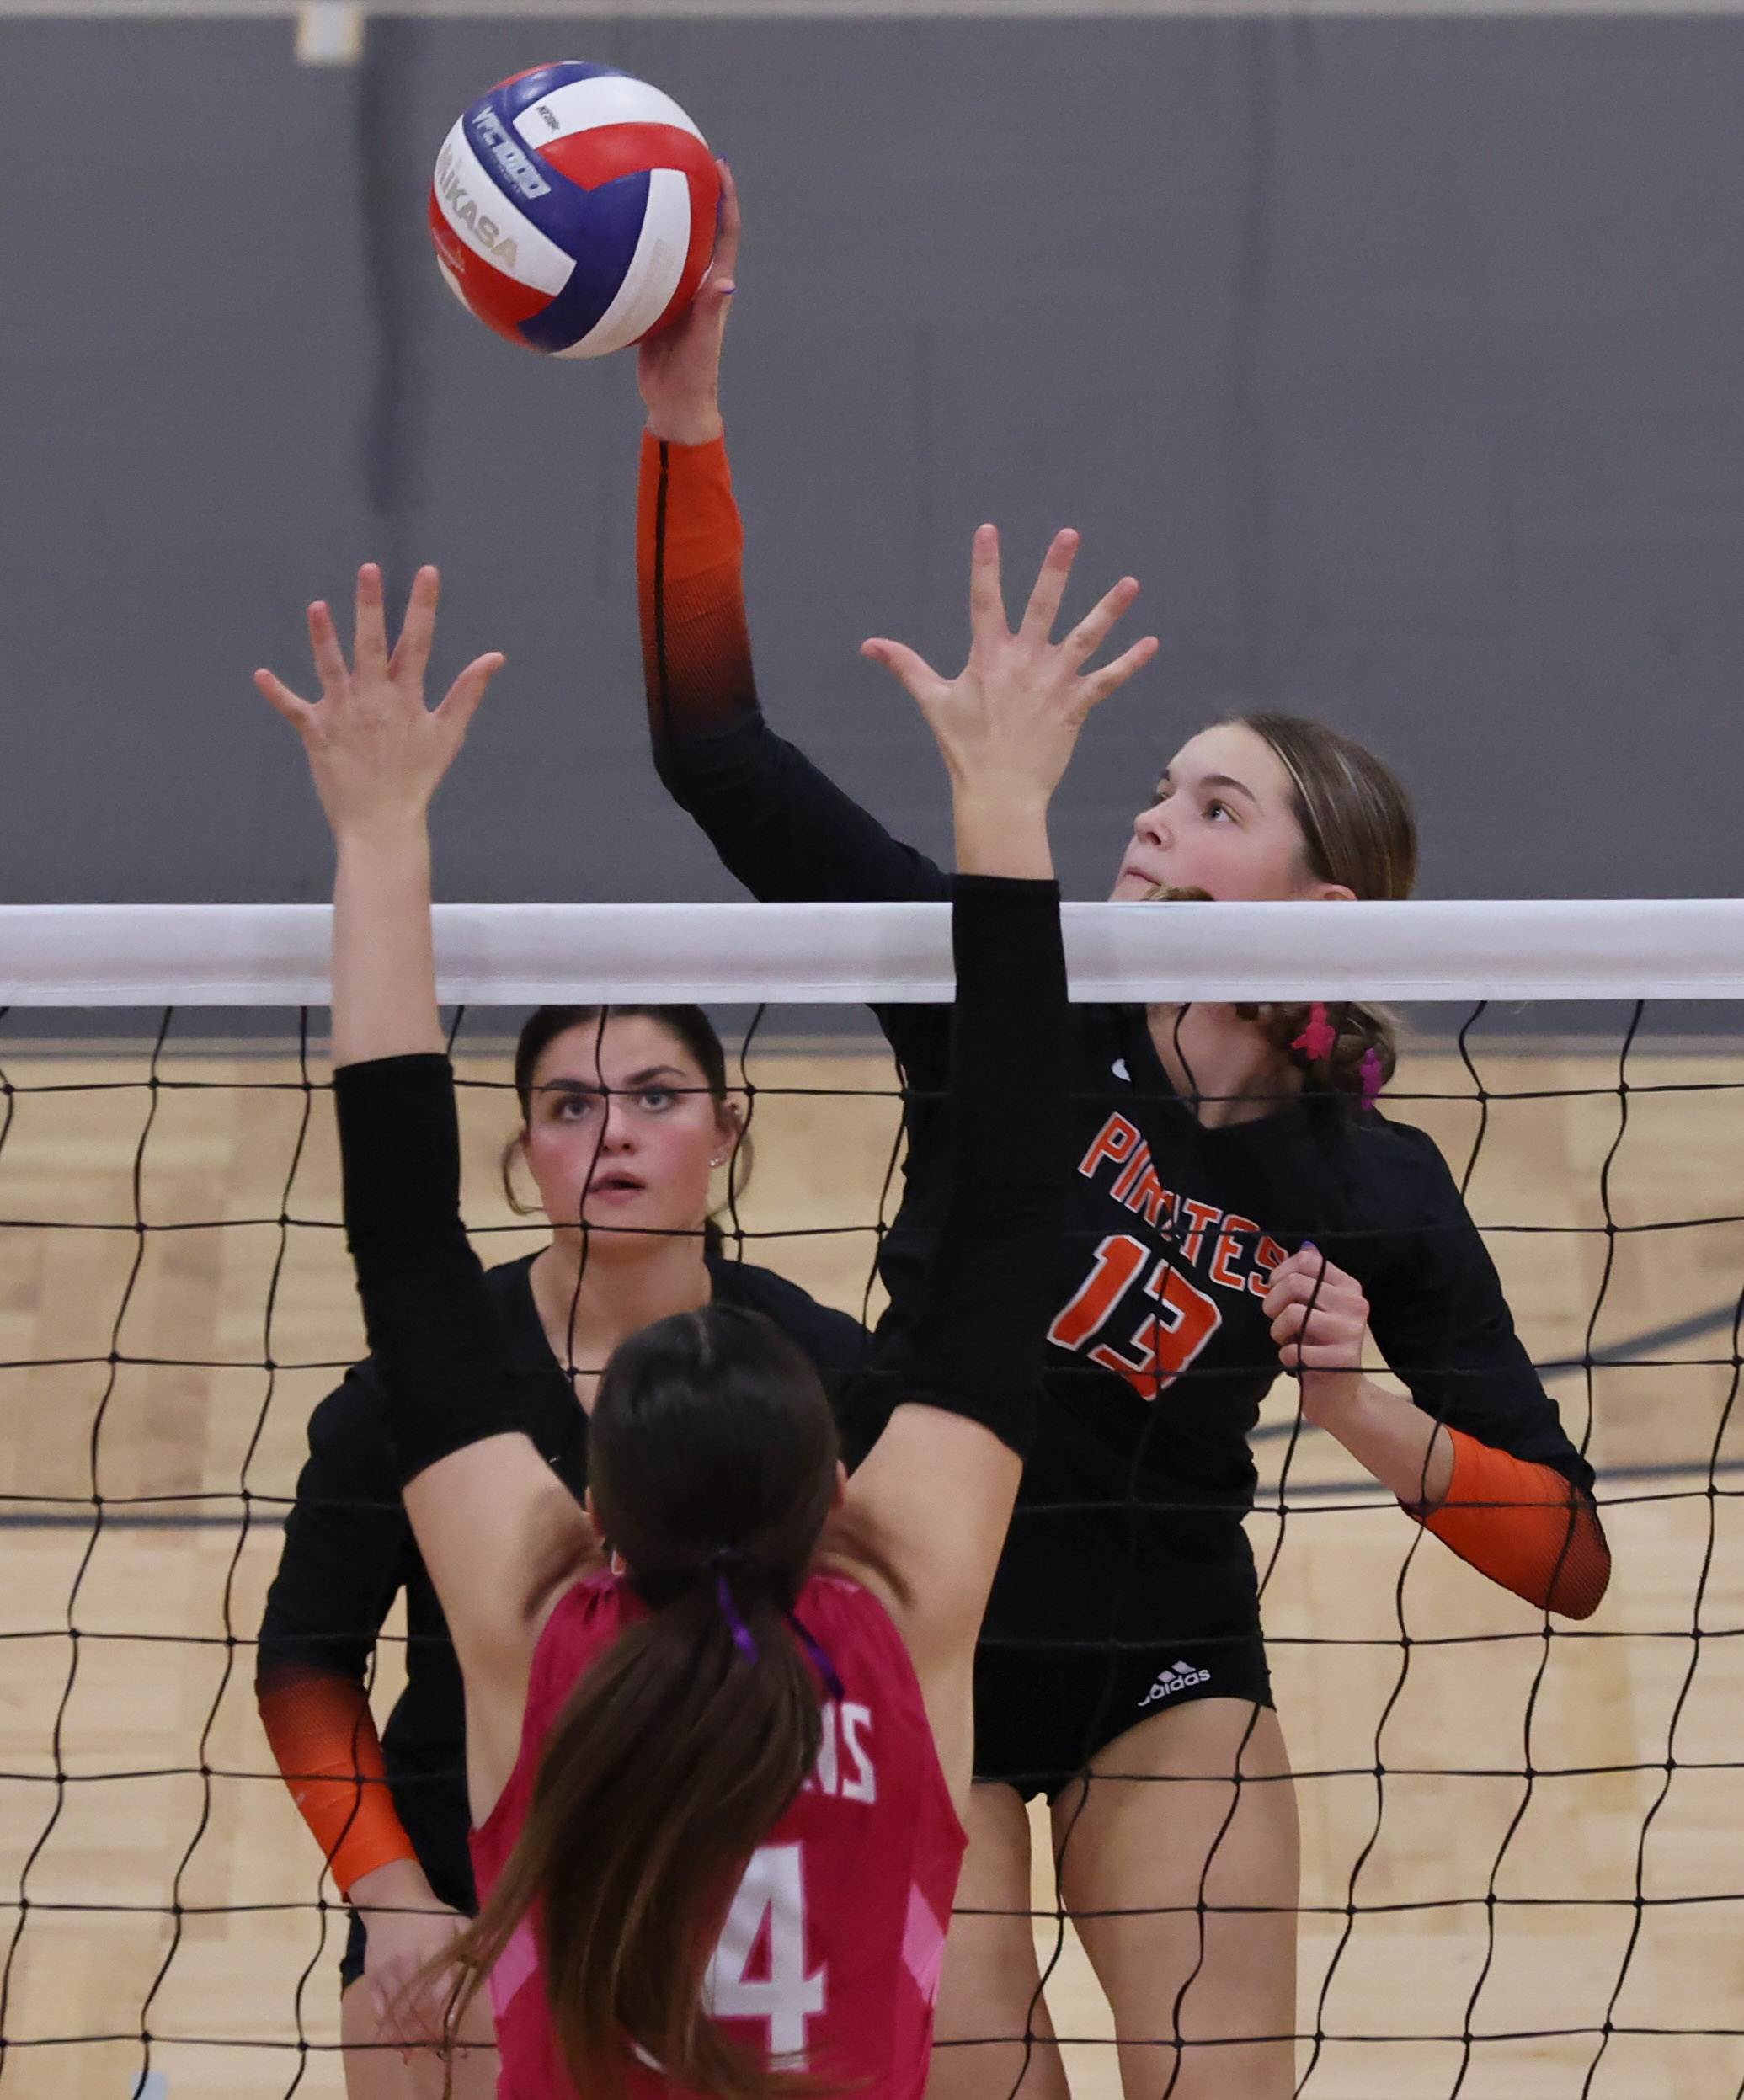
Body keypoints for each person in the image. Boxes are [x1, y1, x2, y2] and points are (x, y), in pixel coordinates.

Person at [628, 169, 1612, 2100]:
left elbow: (1569, 1554)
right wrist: (683, 404)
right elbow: (712, 754)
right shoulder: (1006, 991)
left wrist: (1362, 1410)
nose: (1153, 816)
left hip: (1162, 1652)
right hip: (910, 1621)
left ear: (1320, 911)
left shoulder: (1374, 1186)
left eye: (1214, 804)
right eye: (1158, 787)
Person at [253, 541, 1099, 2098]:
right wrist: (1006, 797)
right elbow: (1008, 1211)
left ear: (591, 1514)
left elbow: (402, 1238)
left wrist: (375, 830)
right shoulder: (903, 1620)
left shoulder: (534, 1640)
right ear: (834, 1489)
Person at [256, 996, 871, 2099]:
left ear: (726, 1127)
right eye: (572, 1106)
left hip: (758, 1885)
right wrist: (392, 1900)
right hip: (473, 1889)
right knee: (406, 2027)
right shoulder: (417, 1393)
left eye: (655, 1098)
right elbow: (304, 1663)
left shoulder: (822, 1371)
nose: (615, 1134)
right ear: (527, 1142)